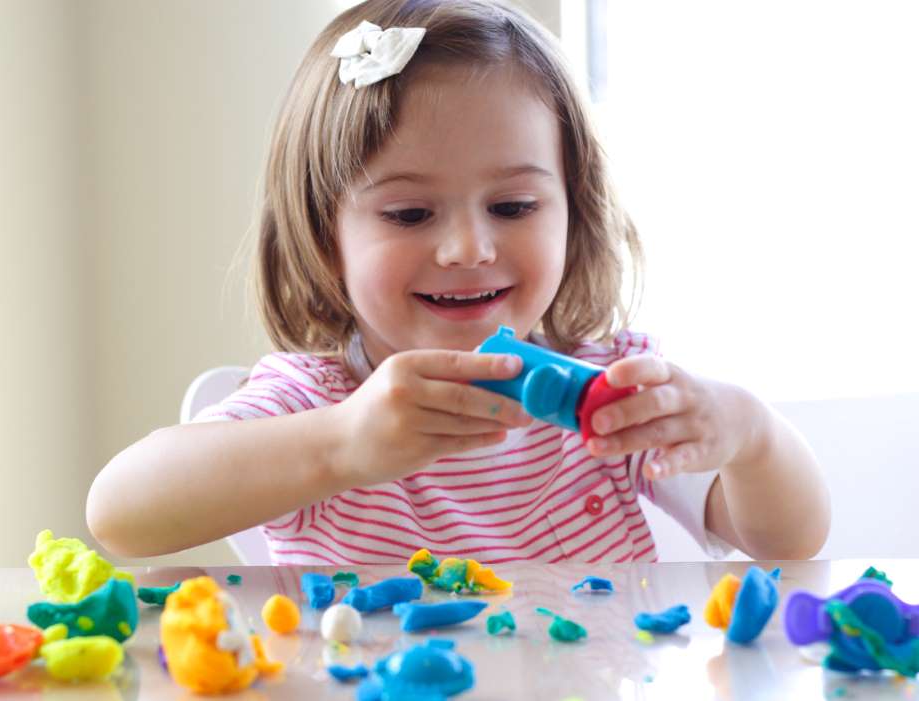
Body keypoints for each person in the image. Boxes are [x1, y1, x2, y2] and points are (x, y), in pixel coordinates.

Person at [87, 0, 830, 565]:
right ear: (325, 236)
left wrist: (748, 433)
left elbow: (790, 544)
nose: (470, 246)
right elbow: (118, 511)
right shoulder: (319, 403)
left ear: (575, 210)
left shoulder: (605, 395)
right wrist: (341, 445)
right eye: (410, 213)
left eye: (513, 206)